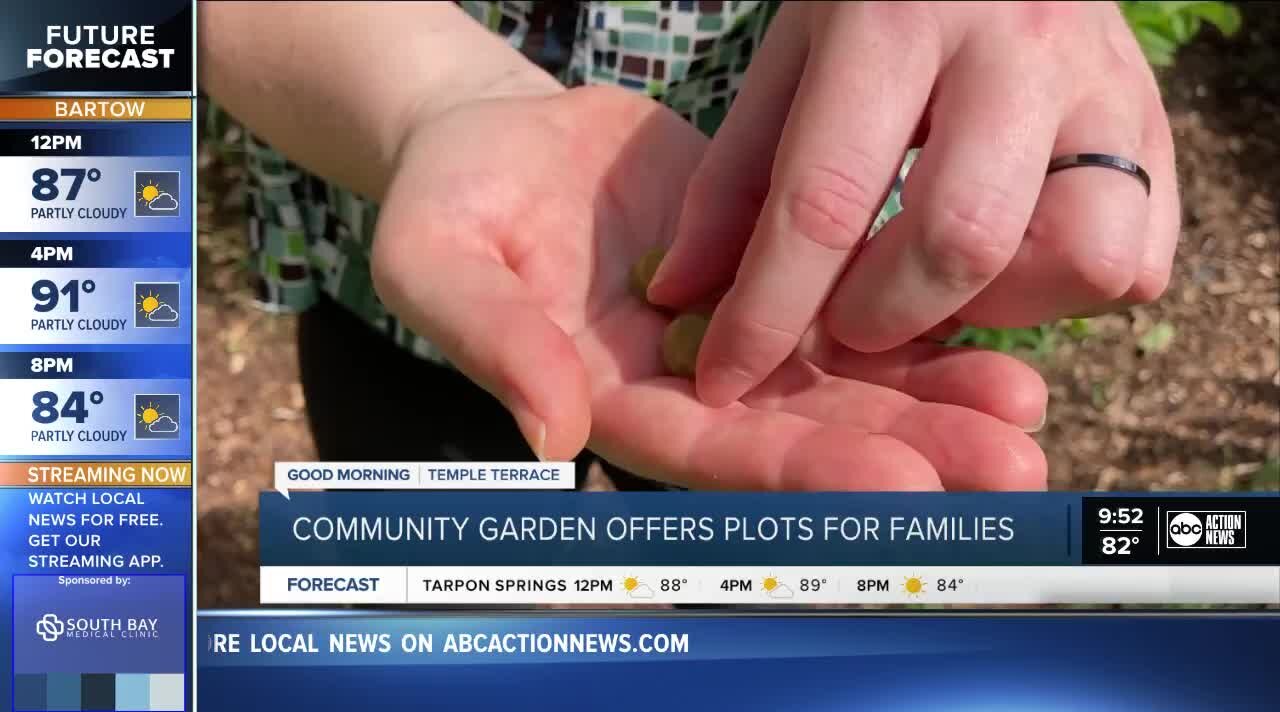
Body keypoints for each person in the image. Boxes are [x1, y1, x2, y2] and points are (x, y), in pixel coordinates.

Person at [200, 1, 1178, 492]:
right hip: (389, 260)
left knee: (748, 608)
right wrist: (433, 100)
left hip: (782, 294)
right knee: (433, 611)